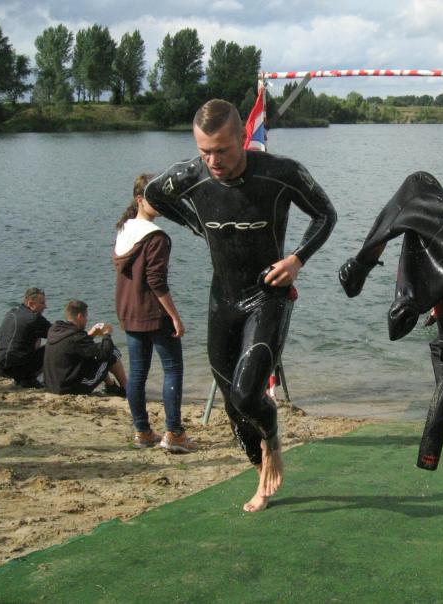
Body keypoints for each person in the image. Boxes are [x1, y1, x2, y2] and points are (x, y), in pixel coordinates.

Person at [144, 99, 336, 512]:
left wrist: (297, 260)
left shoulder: (280, 173)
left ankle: (272, 439)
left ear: (243, 138)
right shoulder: (192, 176)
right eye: (205, 152)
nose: (213, 161)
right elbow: (153, 192)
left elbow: (325, 214)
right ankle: (260, 475)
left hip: (268, 295)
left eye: (222, 150)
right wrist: (195, 223)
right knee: (233, 406)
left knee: (248, 395)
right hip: (224, 299)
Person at [114, 173, 196, 453]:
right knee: (173, 370)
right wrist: (175, 316)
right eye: (155, 198)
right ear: (140, 200)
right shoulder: (155, 236)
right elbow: (156, 281)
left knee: (137, 374)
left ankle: (142, 432)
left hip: (129, 310)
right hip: (153, 312)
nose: (161, 203)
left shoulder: (124, 229)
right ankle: (174, 433)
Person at [43, 299, 128, 396]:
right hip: (70, 389)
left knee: (93, 354)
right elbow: (105, 353)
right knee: (113, 352)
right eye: (86, 316)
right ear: (80, 316)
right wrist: (107, 334)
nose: (87, 320)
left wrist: (91, 334)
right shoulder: (77, 337)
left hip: (52, 386)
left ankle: (111, 386)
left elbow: (77, 345)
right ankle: (126, 388)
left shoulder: (55, 329)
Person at [0, 287, 51, 388]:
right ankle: (30, 379)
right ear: (30, 303)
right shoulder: (34, 318)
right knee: (52, 346)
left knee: (33, 337)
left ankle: (25, 378)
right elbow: (57, 334)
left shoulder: (11, 313)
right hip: (18, 368)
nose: (45, 306)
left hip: (1, 365)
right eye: (42, 303)